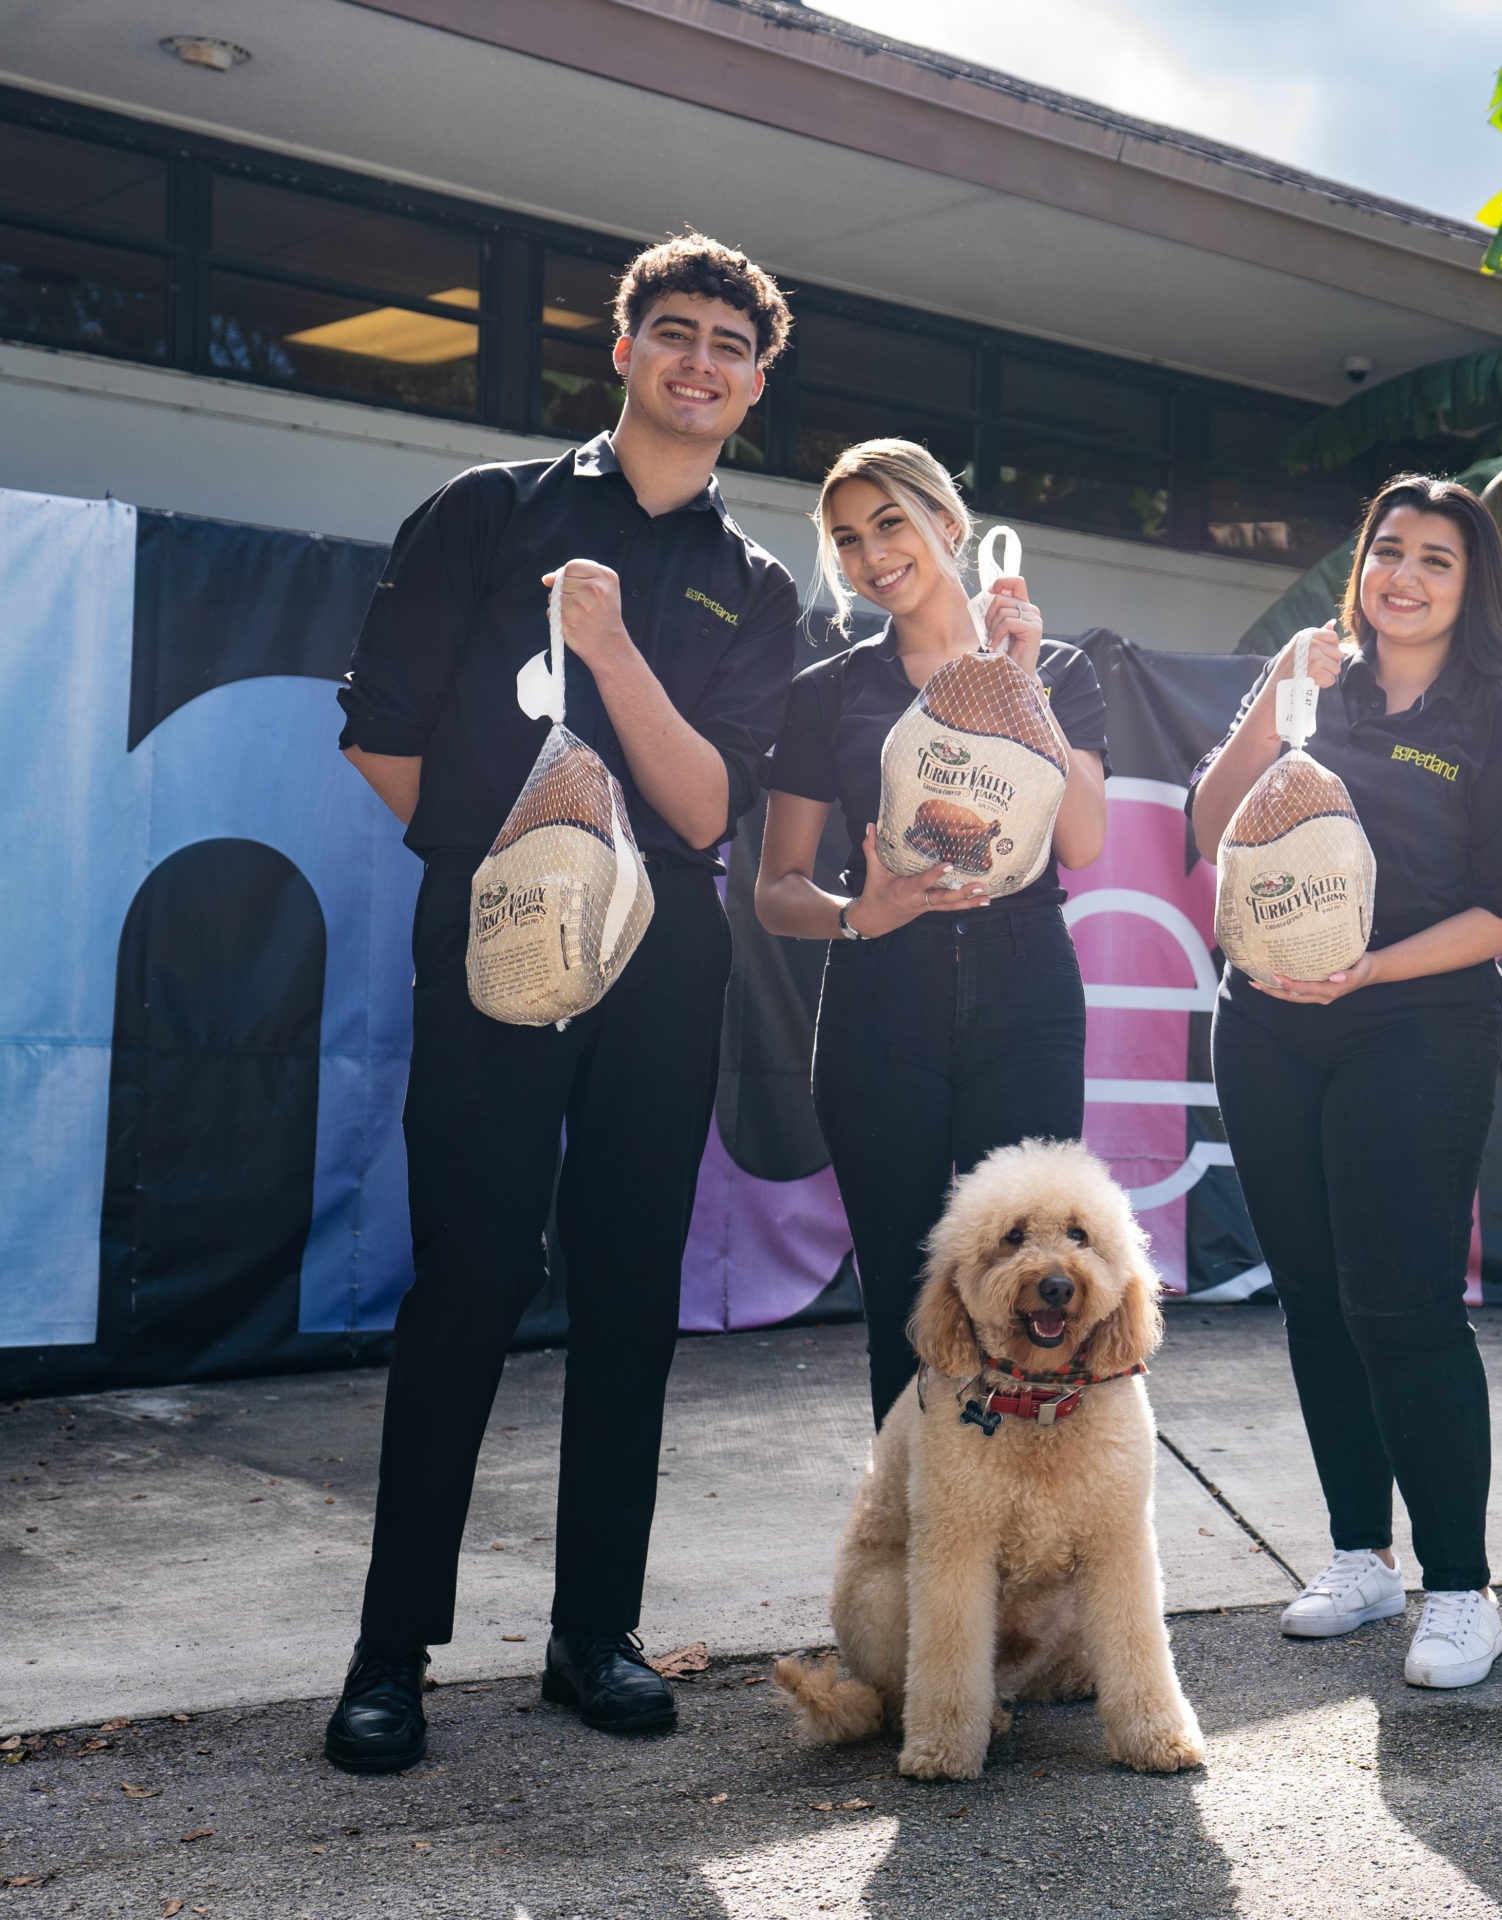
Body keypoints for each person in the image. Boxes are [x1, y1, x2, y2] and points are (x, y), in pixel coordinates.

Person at [327, 235, 801, 1771]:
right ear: (624, 350)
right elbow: (384, 744)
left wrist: (605, 649)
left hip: (667, 970)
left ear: (754, 381)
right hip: (500, 954)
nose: (702, 363)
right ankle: (389, 1656)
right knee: (464, 1286)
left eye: (732, 346)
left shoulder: (755, 582)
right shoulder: (485, 513)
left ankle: (592, 1635)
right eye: (676, 333)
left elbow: (713, 803)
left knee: (627, 1305)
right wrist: (510, 871)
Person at [1188, 475, 1502, 1691]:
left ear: (1473, 584)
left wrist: (1366, 973)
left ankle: (1461, 1587)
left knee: (1399, 1302)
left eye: (1435, 559)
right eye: (1386, 551)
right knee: (1311, 1295)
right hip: (1263, 1026)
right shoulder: (1317, 692)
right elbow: (1205, 828)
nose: (1402, 575)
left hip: (1416, 1025)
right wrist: (1269, 696)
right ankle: (1361, 1557)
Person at [754, 440, 1108, 1427]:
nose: (872, 556)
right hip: (879, 1002)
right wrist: (859, 916)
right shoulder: (826, 692)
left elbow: (1081, 840)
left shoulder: (1060, 671)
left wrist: (1021, 678)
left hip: (1026, 993)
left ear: (948, 524)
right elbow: (776, 890)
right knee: (909, 1308)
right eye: (847, 539)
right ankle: (916, 1541)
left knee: (1042, 1291)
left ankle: (1028, 1551)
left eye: (890, 524)